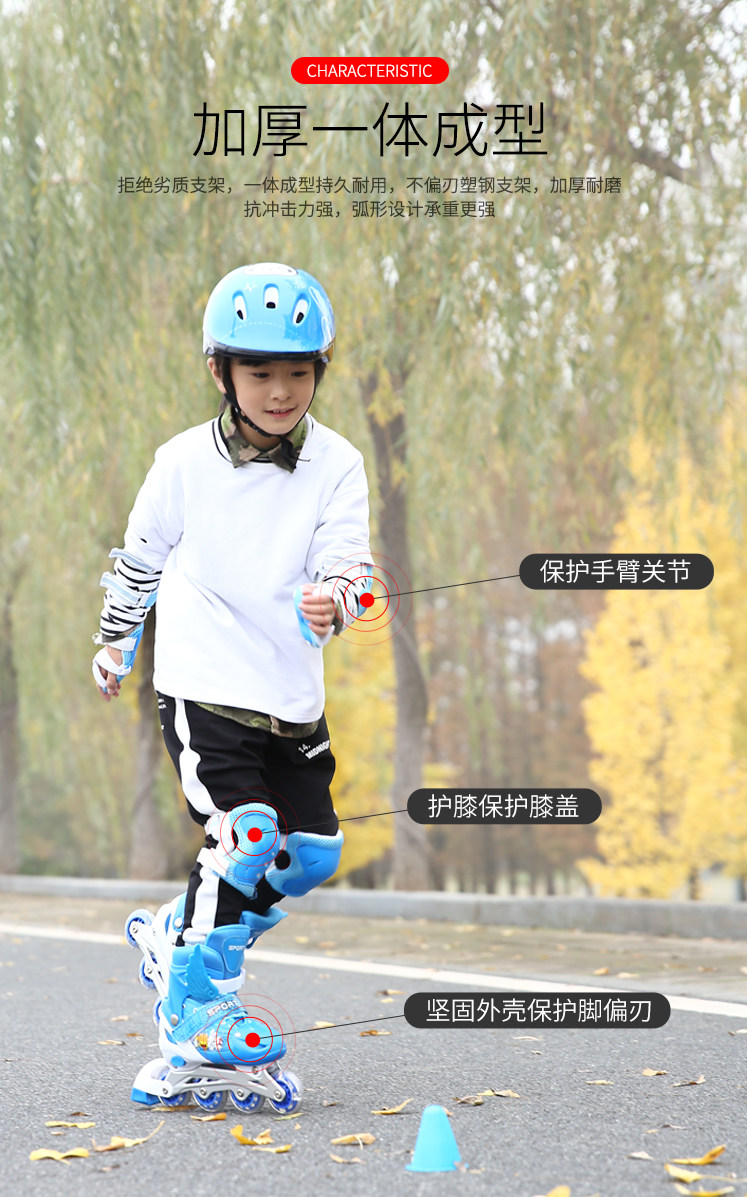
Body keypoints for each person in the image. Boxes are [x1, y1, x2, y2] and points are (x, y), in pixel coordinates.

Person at [92, 263, 373, 1108]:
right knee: (246, 834)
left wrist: (339, 597)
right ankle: (197, 1000)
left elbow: (348, 563)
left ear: (319, 370)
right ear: (221, 371)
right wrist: (115, 644)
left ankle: (179, 932)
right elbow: (139, 560)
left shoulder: (337, 463)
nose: (280, 391)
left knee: (309, 852)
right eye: (260, 371)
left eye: (298, 371)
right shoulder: (182, 462)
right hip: (203, 685)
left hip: (289, 696)